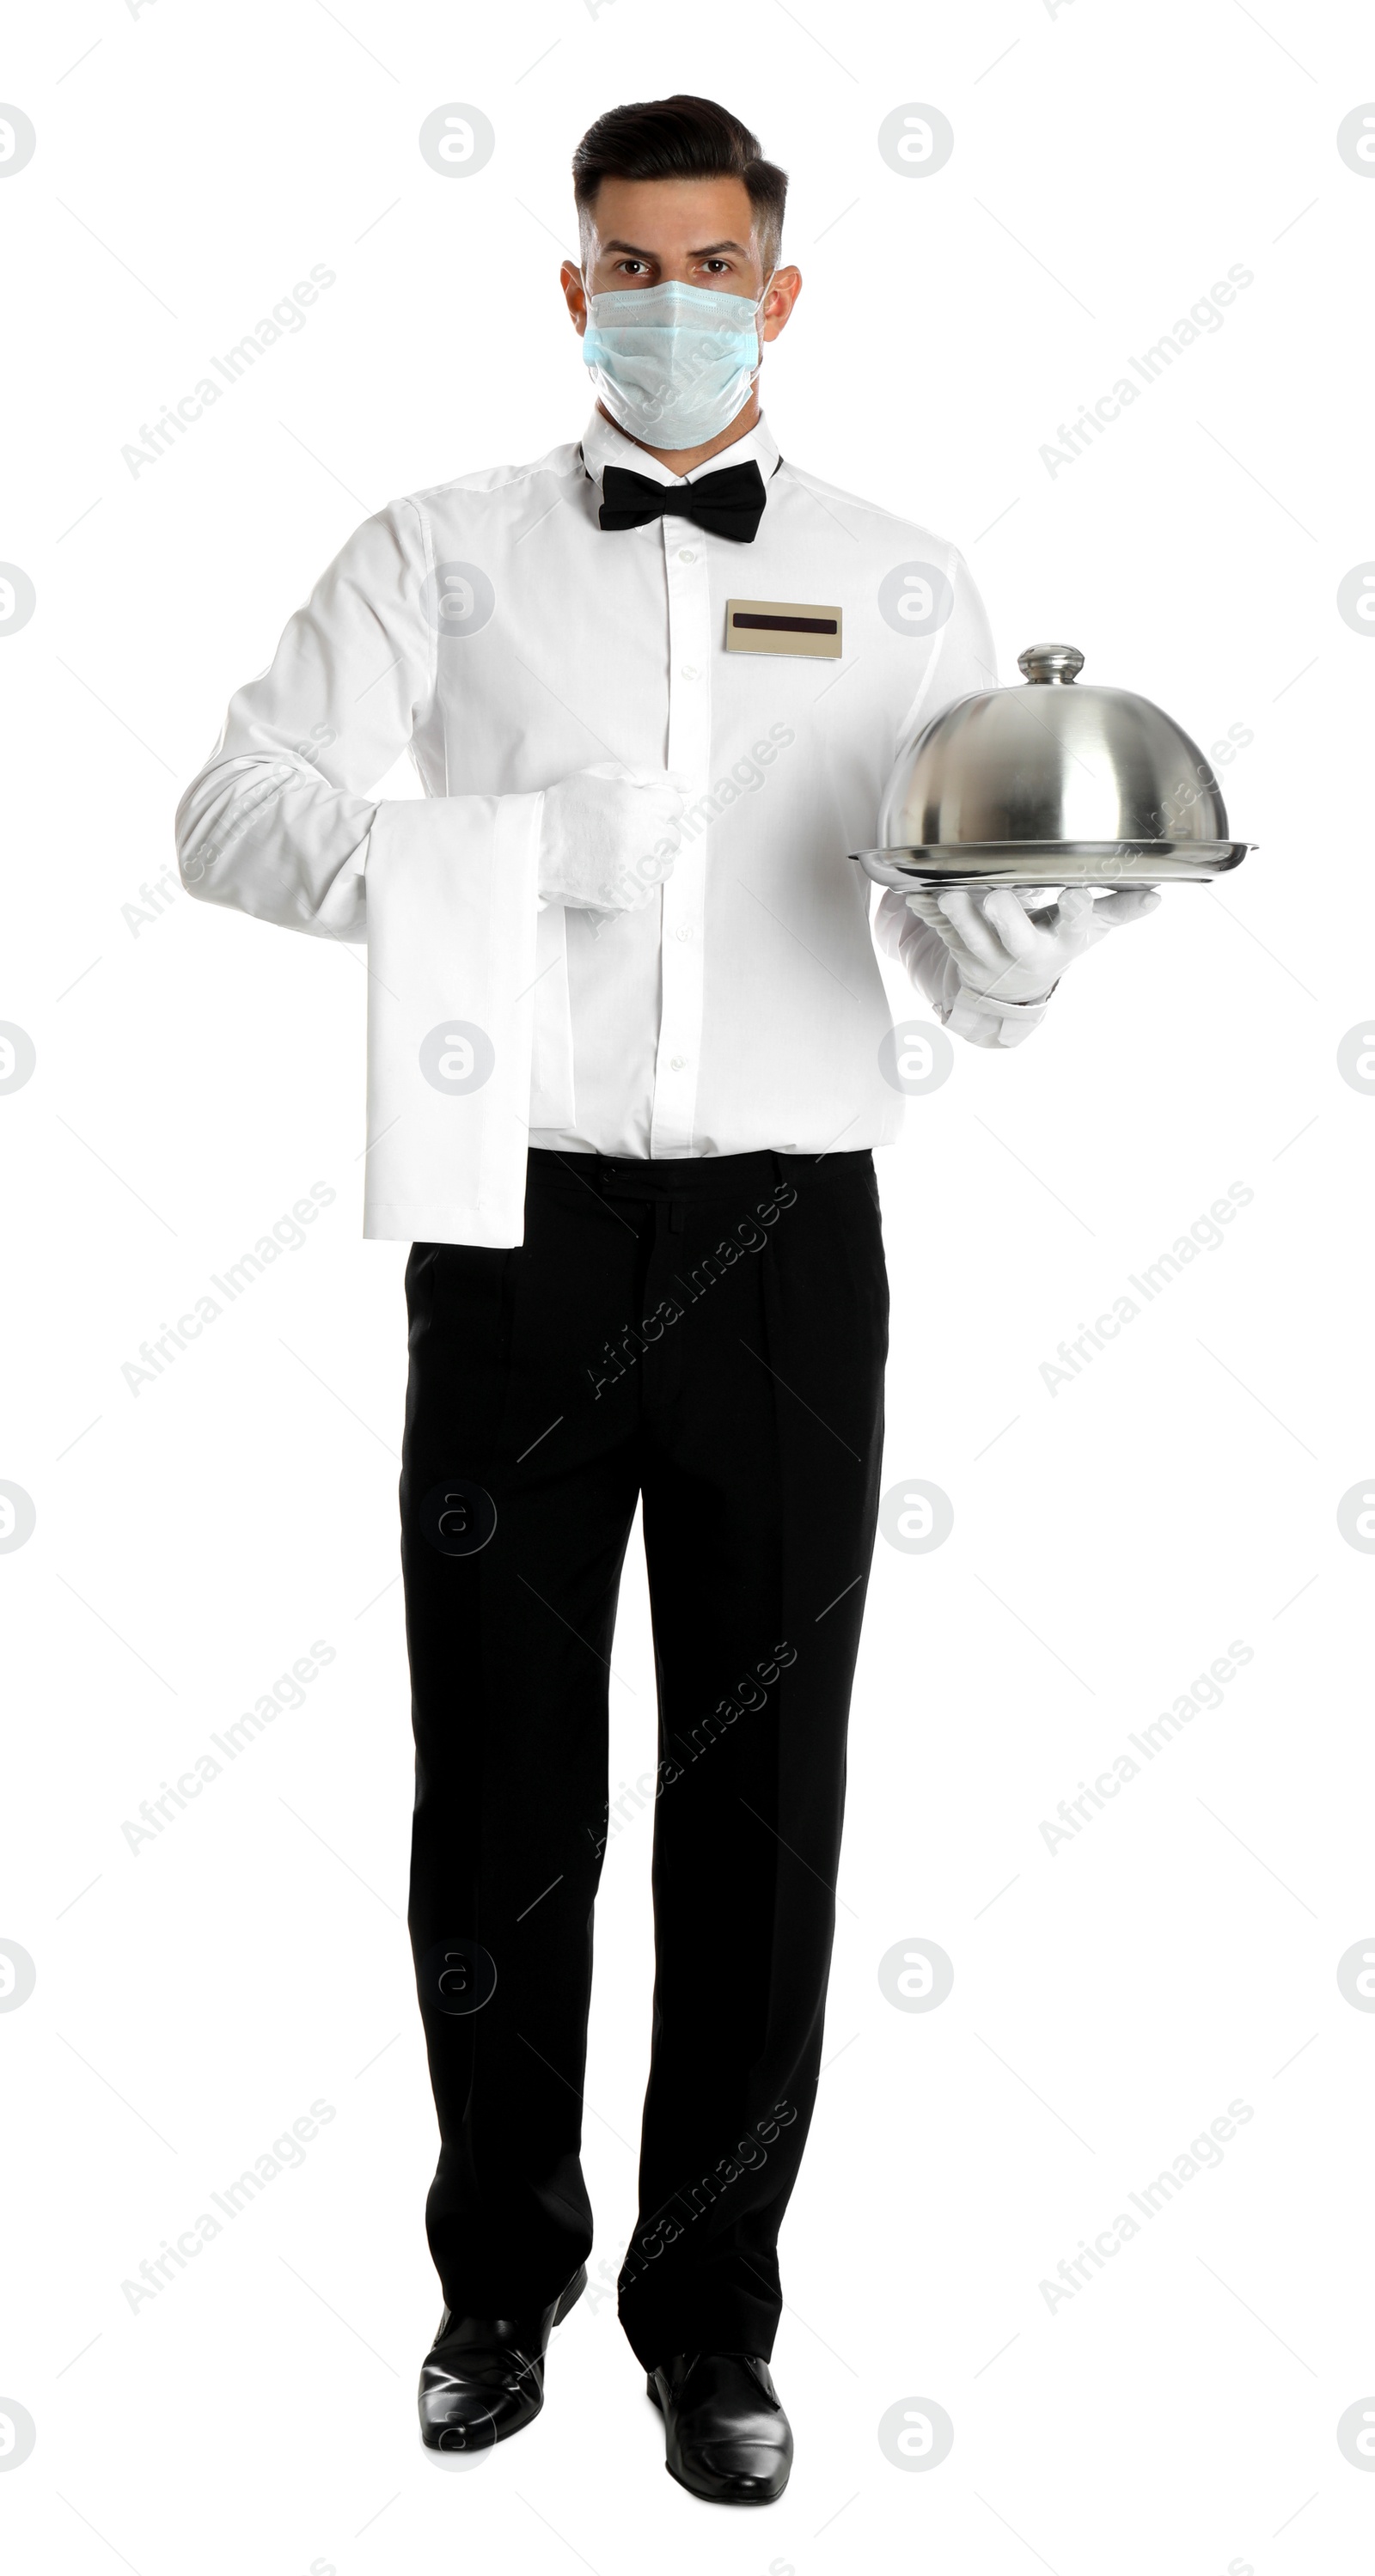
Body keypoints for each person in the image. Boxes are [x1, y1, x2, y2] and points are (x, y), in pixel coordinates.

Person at [175, 93, 1155, 2504]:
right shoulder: (445, 551)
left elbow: (941, 914)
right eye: (630, 265)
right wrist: (505, 856)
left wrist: (1019, 958)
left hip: (791, 1253)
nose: (672, 302)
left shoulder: (908, 579)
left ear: (782, 290)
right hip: (510, 1235)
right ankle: (492, 2287)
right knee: (499, 1803)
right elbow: (230, 811)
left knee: (762, 1800)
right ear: (575, 286)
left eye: (713, 264)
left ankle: (711, 2327)